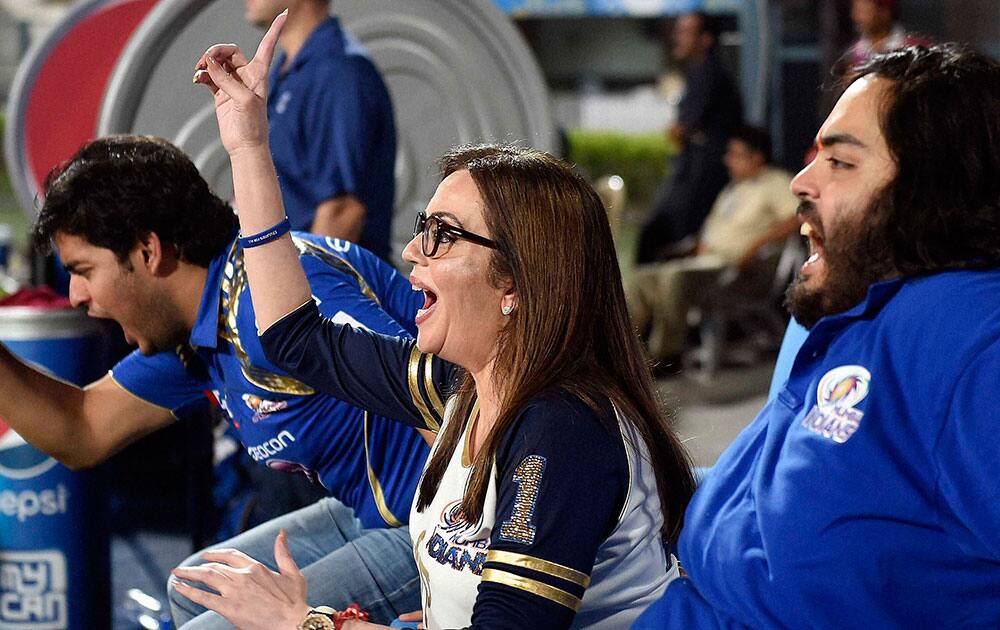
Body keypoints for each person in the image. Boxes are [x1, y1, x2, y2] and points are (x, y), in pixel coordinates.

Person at [176, 13, 697, 629]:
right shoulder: (461, 388)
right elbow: (295, 338)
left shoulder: (563, 431)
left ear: (516, 283)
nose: (411, 253)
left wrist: (309, 625)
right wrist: (248, 146)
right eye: (422, 228)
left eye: (442, 236)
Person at [634, 44, 1000, 627]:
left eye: (841, 162)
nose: (801, 183)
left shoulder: (975, 341)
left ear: (935, 190)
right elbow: (764, 502)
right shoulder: (852, 312)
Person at [0, 135, 429, 627]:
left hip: (442, 530)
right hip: (373, 516)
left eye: (83, 270)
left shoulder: (271, 298)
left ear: (148, 251)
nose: (75, 294)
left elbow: (436, 393)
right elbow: (83, 429)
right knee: (195, 588)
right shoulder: (199, 324)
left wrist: (479, 564)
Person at [628, 125, 799, 365]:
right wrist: (690, 247)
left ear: (757, 157)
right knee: (641, 278)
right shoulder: (733, 189)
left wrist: (757, 245)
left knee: (674, 278)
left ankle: (664, 356)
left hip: (737, 269)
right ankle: (626, 355)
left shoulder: (774, 183)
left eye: (736, 155)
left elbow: (797, 216)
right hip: (704, 262)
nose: (728, 160)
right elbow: (711, 230)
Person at [246, 0, 396, 260]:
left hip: (325, 291)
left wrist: (305, 297)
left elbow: (342, 211)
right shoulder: (282, 74)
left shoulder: (340, 74)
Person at [636, 11, 742, 264]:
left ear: (705, 39)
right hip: (693, 178)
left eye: (685, 32)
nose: (677, 38)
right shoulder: (702, 73)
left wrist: (680, 132)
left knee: (660, 240)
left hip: (699, 182)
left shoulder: (709, 73)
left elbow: (680, 129)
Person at [845, 0, 927, 70]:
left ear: (884, 12)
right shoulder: (852, 56)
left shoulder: (917, 51)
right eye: (855, 10)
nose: (855, 17)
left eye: (862, 11)